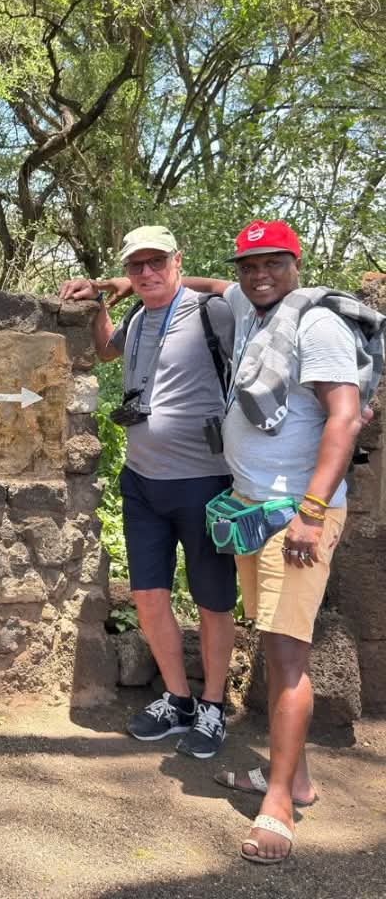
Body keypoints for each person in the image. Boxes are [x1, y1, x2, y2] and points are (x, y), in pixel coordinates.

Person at [172, 221, 382, 864]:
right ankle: (299, 779)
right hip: (254, 508)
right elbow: (204, 283)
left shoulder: (314, 326)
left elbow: (343, 416)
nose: (259, 274)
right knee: (273, 640)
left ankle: (278, 808)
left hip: (297, 514)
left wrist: (312, 513)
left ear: (295, 263)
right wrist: (125, 281)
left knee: (289, 657)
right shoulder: (249, 305)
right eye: (248, 265)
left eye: (273, 264)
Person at [59, 225, 237, 759]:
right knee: (149, 595)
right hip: (141, 482)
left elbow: (241, 288)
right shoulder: (136, 319)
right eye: (136, 265)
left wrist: (123, 282)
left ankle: (212, 706)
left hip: (205, 481)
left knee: (212, 600)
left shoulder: (213, 312)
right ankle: (178, 700)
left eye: (156, 262)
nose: (147, 273)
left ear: (178, 261)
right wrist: (101, 302)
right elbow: (106, 354)